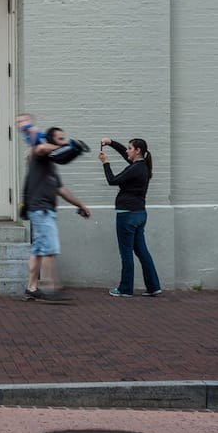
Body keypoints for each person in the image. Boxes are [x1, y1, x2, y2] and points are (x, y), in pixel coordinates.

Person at [18, 118, 91, 302]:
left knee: (38, 250)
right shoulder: (39, 153)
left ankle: (31, 288)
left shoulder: (50, 165)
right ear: (51, 141)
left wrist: (80, 205)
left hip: (43, 210)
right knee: (49, 248)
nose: (63, 142)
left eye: (64, 139)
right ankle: (52, 288)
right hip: (41, 210)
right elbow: (41, 148)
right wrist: (66, 146)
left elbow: (61, 190)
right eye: (60, 139)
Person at [98, 136, 162, 297]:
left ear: (138, 150)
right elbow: (123, 154)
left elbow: (112, 180)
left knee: (126, 252)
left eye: (130, 148)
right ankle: (154, 286)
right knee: (142, 251)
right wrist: (111, 143)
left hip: (127, 215)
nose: (127, 151)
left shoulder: (135, 168)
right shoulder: (141, 167)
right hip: (140, 214)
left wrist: (105, 163)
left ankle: (125, 288)